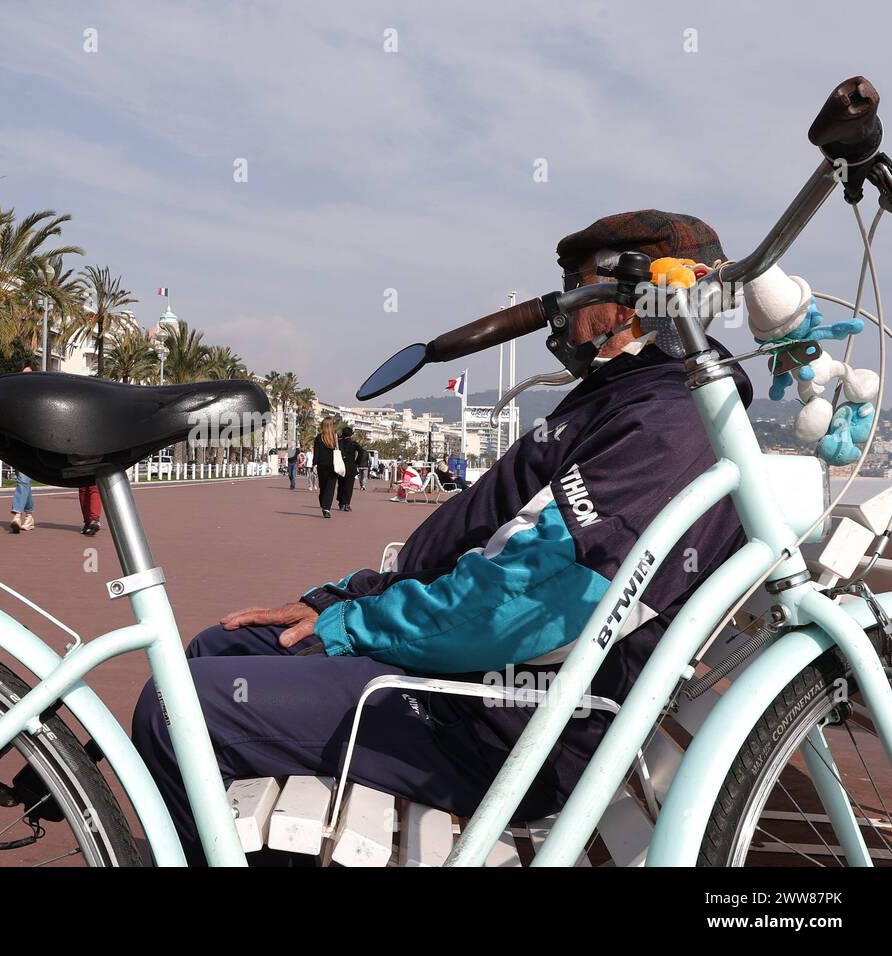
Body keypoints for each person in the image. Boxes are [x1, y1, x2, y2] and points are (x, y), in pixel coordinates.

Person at [132, 210, 745, 865]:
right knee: (219, 647)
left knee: (179, 707)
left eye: (574, 283)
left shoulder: (669, 421)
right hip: (468, 680)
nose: (560, 308)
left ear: (631, 298)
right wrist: (342, 597)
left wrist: (354, 626)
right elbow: (471, 540)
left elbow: (517, 605)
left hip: (500, 722)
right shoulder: (612, 399)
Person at [9, 366, 36, 533]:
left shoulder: (36, 398)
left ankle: (17, 515)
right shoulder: (17, 398)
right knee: (24, 481)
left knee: (23, 480)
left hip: (31, 445)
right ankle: (30, 516)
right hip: (17, 444)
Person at [311, 418, 340, 518]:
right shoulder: (335, 437)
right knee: (329, 488)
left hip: (322, 466)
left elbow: (316, 453)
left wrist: (314, 465)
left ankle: (325, 507)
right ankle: (326, 507)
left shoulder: (319, 438)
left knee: (323, 487)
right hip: (333, 466)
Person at [335, 426, 362, 512]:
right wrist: (357, 462)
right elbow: (362, 451)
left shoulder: (338, 442)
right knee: (349, 487)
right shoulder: (353, 443)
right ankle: (346, 503)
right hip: (351, 467)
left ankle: (341, 502)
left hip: (340, 466)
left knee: (341, 485)